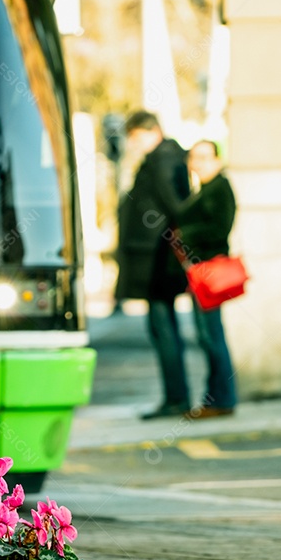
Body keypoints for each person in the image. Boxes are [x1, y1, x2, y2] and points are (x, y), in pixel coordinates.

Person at [115, 111, 192, 419]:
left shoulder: (161, 161)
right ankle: (176, 397)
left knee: (163, 330)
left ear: (149, 132)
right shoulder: (166, 158)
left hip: (156, 260)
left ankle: (176, 399)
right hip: (155, 258)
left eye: (134, 137)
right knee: (163, 329)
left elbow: (175, 206)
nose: (133, 144)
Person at [175, 140, 238, 418]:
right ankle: (216, 399)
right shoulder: (204, 189)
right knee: (208, 336)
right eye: (193, 157)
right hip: (200, 271)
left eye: (203, 157)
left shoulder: (219, 188)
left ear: (217, 159)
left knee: (212, 336)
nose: (197, 163)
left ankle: (222, 399)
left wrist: (185, 235)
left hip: (210, 270)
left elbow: (219, 228)